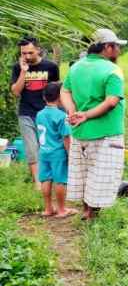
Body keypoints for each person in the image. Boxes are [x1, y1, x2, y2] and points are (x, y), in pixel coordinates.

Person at [60, 28, 127, 221]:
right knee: (101, 175)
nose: (119, 51)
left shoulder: (76, 67)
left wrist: (72, 111)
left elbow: (65, 92)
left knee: (84, 173)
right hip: (106, 133)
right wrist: (87, 115)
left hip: (79, 133)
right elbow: (112, 101)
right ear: (107, 47)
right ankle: (93, 216)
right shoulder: (113, 70)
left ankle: (86, 211)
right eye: (117, 47)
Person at [10, 37, 60, 185]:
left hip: (46, 113)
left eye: (30, 52)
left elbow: (57, 89)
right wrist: (23, 72)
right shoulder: (17, 67)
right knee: (32, 149)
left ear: (38, 50)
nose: (26, 56)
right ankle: (38, 184)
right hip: (26, 112)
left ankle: (51, 179)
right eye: (23, 53)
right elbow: (16, 92)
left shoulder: (50, 66)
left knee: (48, 147)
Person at [35, 82, 75, 218]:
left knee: (45, 179)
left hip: (43, 152)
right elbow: (66, 137)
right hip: (58, 154)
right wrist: (70, 154)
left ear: (44, 97)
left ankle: (48, 209)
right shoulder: (61, 116)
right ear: (60, 97)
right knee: (60, 180)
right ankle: (62, 210)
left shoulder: (39, 114)